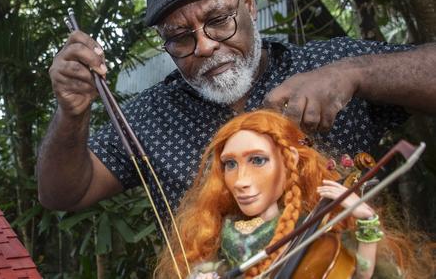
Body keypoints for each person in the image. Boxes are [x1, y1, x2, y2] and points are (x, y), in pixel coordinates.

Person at [37, 0, 436, 218]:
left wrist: (355, 73)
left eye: (217, 20)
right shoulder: (149, 118)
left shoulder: (326, 64)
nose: (205, 46)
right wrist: (71, 114)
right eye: (180, 37)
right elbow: (62, 194)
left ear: (248, 3)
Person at [154, 109, 432, 279]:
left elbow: (362, 273)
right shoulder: (219, 236)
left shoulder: (316, 233)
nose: (240, 180)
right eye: (230, 164)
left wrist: (367, 220)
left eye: (258, 160)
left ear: (290, 165)